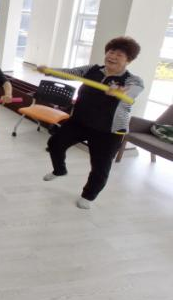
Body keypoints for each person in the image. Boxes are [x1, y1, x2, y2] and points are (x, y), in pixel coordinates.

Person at [39, 37, 144, 210]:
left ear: (129, 60)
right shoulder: (92, 70)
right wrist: (49, 71)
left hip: (108, 131)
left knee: (100, 167)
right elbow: (69, 72)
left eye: (119, 55)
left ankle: (88, 195)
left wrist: (120, 92)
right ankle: (60, 170)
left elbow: (132, 92)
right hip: (80, 121)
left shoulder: (133, 80)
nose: (113, 56)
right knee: (55, 143)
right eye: (111, 52)